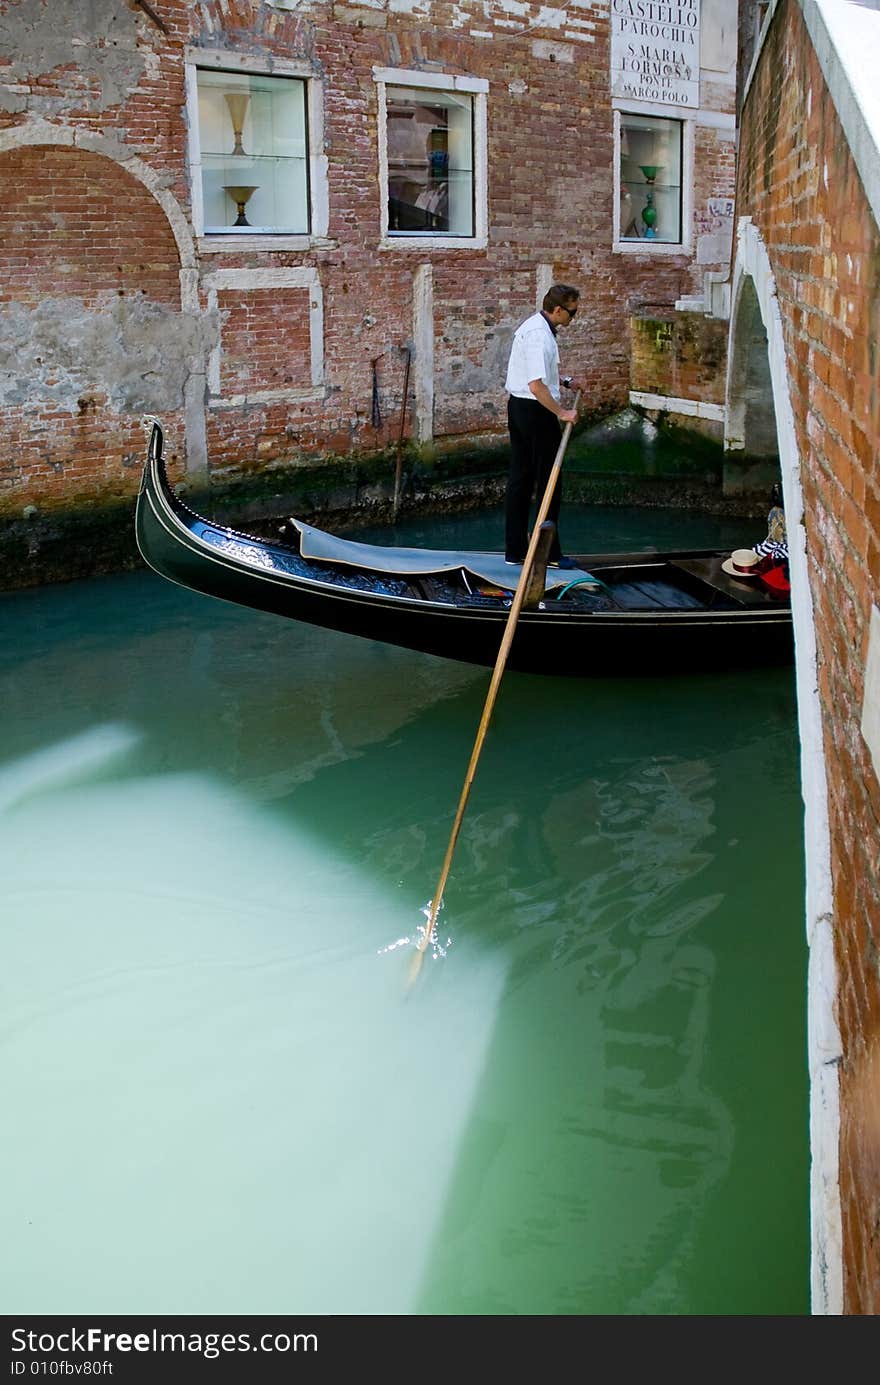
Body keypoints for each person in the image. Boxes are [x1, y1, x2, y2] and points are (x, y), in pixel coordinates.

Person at [504, 283, 581, 567]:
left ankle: (515, 552)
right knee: (550, 481)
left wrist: (565, 381)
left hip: (520, 407)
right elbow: (536, 386)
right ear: (558, 310)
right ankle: (549, 554)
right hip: (535, 411)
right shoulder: (539, 335)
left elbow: (536, 373)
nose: (574, 317)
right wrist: (562, 412)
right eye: (572, 313)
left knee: (521, 478)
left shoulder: (537, 326)